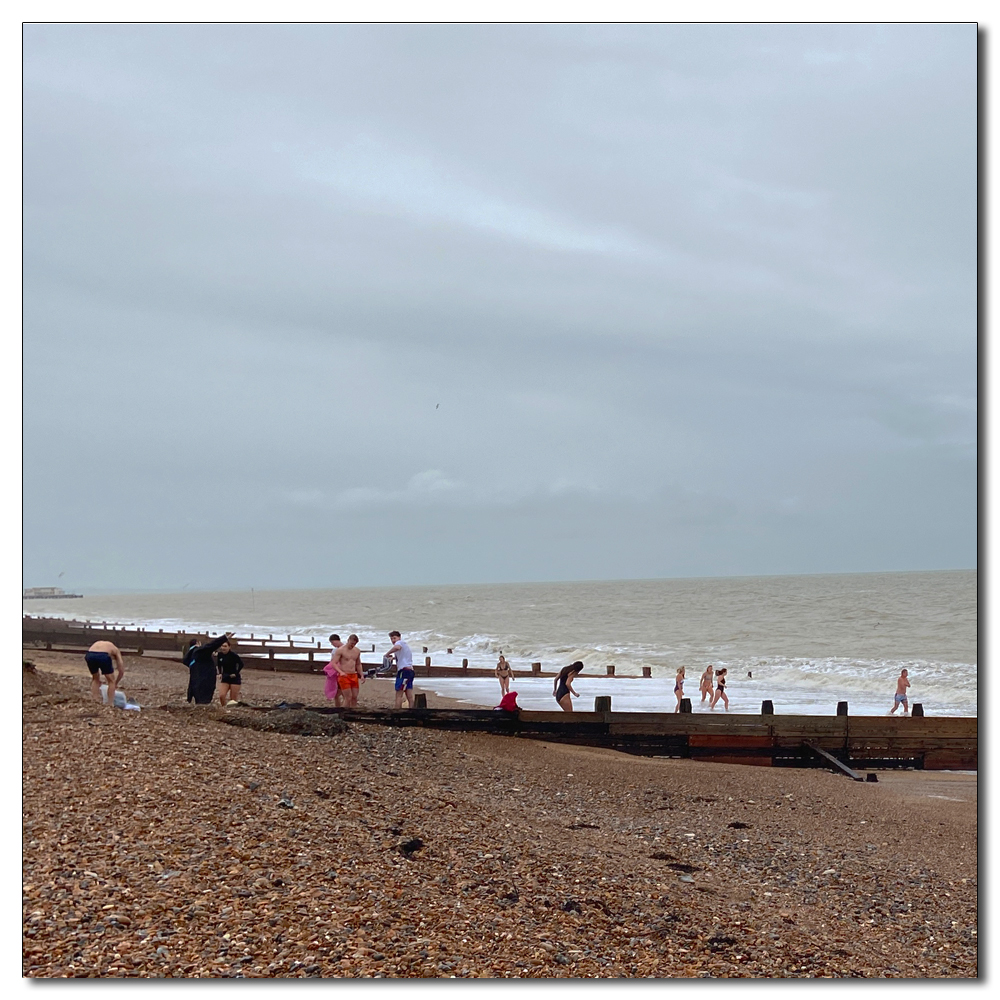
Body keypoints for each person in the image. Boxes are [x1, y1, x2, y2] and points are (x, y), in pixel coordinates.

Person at [185, 632, 232, 705]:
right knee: (204, 700)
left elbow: (185, 661)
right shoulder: (200, 651)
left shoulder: (190, 654)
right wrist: (224, 638)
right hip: (205, 681)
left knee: (199, 701)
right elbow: (211, 645)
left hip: (195, 682)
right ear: (198, 643)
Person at [84, 640, 125, 705]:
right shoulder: (116, 650)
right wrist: (115, 683)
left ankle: (95, 700)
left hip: (90, 654)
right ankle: (110, 703)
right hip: (103, 655)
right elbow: (121, 670)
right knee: (111, 681)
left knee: (95, 678)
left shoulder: (102, 644)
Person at [330, 634, 365, 708]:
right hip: (344, 675)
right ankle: (343, 713)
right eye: (351, 643)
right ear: (348, 641)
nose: (352, 645)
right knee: (348, 697)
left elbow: (358, 664)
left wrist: (361, 675)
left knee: (354, 697)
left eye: (354, 644)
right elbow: (333, 663)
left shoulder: (357, 651)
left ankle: (353, 713)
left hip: (353, 675)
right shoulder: (340, 650)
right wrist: (340, 672)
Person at [387, 630, 415, 709]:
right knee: (409, 693)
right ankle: (412, 712)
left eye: (394, 638)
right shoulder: (405, 645)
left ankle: (397, 713)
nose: (393, 640)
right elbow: (403, 656)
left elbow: (397, 647)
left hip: (404, 672)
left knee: (399, 694)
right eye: (391, 639)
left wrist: (387, 653)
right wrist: (393, 657)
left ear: (399, 637)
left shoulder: (399, 643)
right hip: (410, 671)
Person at [216, 639, 244, 707]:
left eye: (225, 646)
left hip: (234, 678)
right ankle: (224, 707)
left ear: (229, 647)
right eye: (222, 646)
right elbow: (219, 665)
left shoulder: (233, 655)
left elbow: (241, 664)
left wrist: (236, 673)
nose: (223, 648)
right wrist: (220, 673)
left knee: (233, 699)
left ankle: (232, 710)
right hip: (225, 677)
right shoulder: (220, 655)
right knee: (221, 695)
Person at [323, 634, 344, 704]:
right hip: (338, 672)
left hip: (341, 672)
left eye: (332, 643)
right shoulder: (336, 650)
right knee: (338, 691)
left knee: (342, 691)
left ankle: (343, 707)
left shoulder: (342, 649)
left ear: (335, 641)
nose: (332, 644)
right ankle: (340, 707)